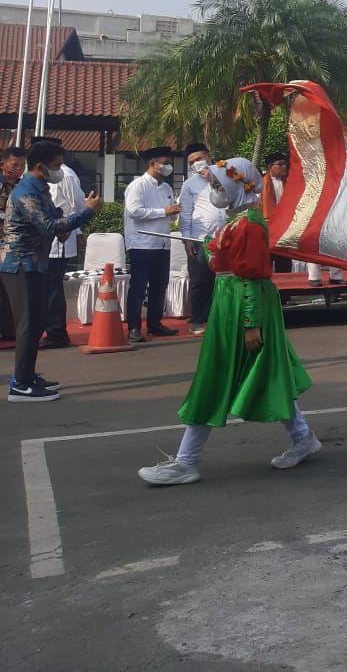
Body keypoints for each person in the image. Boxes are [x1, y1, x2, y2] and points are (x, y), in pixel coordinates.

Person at [138, 157, 319, 484]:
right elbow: (224, 265)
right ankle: (303, 437)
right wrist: (211, 248)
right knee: (265, 374)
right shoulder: (236, 221)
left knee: (216, 376)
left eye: (220, 185)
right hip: (231, 301)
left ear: (238, 186)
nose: (215, 190)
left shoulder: (247, 225)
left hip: (241, 305)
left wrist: (251, 322)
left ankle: (186, 461)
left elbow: (249, 275)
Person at [1, 141, 99, 401]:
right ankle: (20, 384)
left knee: (36, 323)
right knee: (27, 324)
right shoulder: (26, 192)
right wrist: (87, 213)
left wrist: (63, 226)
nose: (60, 171)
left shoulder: (41, 188)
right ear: (41, 166)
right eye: (56, 165)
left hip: (35, 263)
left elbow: (54, 221)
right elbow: (47, 225)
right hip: (19, 264)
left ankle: (27, 375)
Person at [28, 138, 85, 350]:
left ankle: (56, 333)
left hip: (59, 240)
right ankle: (51, 329)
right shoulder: (38, 179)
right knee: (45, 289)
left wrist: (70, 229)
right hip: (45, 241)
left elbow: (78, 205)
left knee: (52, 289)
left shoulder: (66, 175)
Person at [123, 146, 181, 342]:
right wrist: (163, 211)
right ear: (152, 164)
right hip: (141, 243)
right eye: (164, 163)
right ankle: (133, 328)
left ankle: (155, 324)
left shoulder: (165, 188)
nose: (168, 167)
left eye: (169, 163)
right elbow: (134, 211)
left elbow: (169, 212)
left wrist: (173, 212)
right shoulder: (138, 185)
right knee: (139, 286)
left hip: (162, 243)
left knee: (159, 286)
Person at [177, 142, 225, 336]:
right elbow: (186, 213)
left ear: (208, 155)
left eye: (199, 159)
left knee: (223, 279)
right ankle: (198, 320)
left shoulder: (225, 174)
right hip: (199, 238)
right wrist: (186, 239)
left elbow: (232, 197)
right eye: (192, 162)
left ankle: (219, 318)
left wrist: (213, 178)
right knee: (200, 280)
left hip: (225, 236)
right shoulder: (189, 184)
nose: (196, 164)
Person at [0, 147, 26, 342]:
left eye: (21, 166)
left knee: (10, 292)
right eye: (14, 165)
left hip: (12, 247)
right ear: (3, 165)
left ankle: (9, 330)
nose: (17, 169)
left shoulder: (23, 188)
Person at [261, 151, 293, 272]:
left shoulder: (289, 183)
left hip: (284, 227)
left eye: (284, 164)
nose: (284, 167)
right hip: (267, 227)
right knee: (266, 262)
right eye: (279, 164)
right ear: (270, 167)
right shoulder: (260, 184)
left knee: (284, 263)